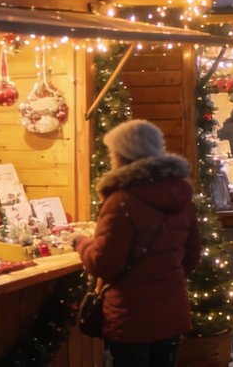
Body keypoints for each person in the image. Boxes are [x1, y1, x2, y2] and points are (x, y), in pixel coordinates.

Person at [76, 120, 202, 367]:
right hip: (171, 311)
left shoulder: (121, 201)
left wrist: (81, 243)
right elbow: (192, 254)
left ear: (122, 155)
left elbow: (104, 263)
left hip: (130, 317)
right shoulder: (181, 194)